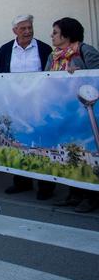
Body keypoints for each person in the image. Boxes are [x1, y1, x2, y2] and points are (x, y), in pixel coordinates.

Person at [0, 14, 54, 199]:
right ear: (15, 31)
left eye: (30, 27)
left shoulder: (44, 48)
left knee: (41, 144)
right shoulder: (5, 50)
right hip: (16, 106)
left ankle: (46, 186)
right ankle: (22, 182)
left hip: (39, 105)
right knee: (18, 143)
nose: (28, 31)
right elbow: (3, 77)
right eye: (23, 28)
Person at [46, 17, 99, 213]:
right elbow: (46, 79)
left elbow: (96, 77)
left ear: (67, 35)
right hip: (63, 111)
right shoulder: (53, 57)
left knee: (87, 151)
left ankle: (91, 196)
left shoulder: (85, 51)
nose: (51, 35)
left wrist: (81, 74)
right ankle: (74, 193)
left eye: (55, 32)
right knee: (70, 152)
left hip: (85, 113)